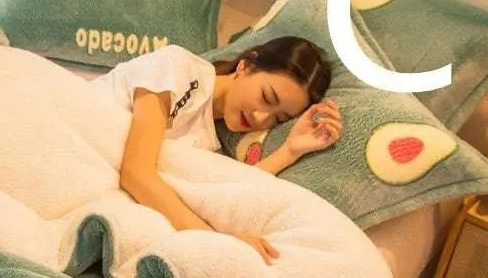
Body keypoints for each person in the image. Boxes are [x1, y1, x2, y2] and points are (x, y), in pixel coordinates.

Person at [92, 37, 343, 264]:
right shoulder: (177, 67)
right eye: (267, 97)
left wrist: (290, 150)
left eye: (278, 119)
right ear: (245, 66)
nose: (261, 117)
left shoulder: (207, 141)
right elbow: (136, 174)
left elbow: (227, 191)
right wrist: (219, 242)